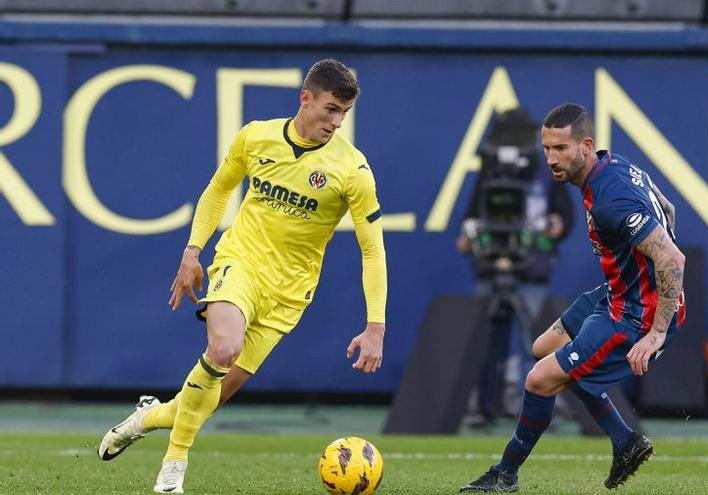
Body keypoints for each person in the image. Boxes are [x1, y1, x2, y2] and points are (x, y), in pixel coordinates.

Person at [97, 59, 387, 494]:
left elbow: (372, 250)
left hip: (289, 293)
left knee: (204, 400)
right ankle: (174, 464)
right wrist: (193, 250)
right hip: (240, 263)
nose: (337, 121)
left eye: (344, 113)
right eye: (330, 109)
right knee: (224, 347)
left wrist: (375, 326)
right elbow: (218, 189)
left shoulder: (353, 171)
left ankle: (146, 417)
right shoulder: (256, 136)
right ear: (305, 98)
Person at [460, 103, 685, 492]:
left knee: (540, 380)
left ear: (586, 145)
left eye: (561, 149)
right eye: (546, 148)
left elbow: (672, 257)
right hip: (617, 295)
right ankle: (625, 440)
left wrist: (657, 332)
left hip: (638, 315)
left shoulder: (610, 198)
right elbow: (667, 207)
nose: (551, 158)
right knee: (543, 347)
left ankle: (505, 474)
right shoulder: (611, 164)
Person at [456, 108, 574, 427]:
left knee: (534, 341)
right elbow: (472, 216)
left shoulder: (545, 171)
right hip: (490, 265)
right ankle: (483, 404)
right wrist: (471, 235)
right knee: (484, 339)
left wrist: (556, 225)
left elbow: (566, 216)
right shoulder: (490, 172)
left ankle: (537, 407)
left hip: (531, 266)